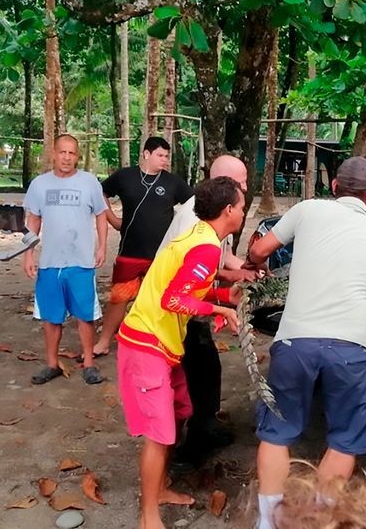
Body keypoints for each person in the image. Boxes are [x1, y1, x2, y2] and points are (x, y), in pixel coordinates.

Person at [247, 156, 366, 529]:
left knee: (277, 432)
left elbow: (260, 251)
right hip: (352, 347)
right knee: (345, 438)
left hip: (296, 341)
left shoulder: (307, 209)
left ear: (333, 187)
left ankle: (267, 523)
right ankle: (318, 519)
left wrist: (254, 260)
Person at [116, 176, 244, 529]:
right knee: (159, 434)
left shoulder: (202, 236)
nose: (244, 210)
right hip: (146, 342)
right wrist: (219, 311)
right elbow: (173, 299)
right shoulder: (205, 246)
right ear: (228, 210)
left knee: (177, 415)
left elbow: (186, 287)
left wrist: (221, 296)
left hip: (164, 345)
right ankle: (149, 517)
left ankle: (160, 489)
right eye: (242, 205)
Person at [159, 155, 264, 470]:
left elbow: (223, 257)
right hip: (177, 309)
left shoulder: (215, 213)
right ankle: (188, 449)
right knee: (196, 370)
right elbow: (195, 272)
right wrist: (222, 298)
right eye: (240, 183)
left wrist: (241, 272)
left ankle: (203, 426)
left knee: (206, 367)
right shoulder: (196, 222)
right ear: (225, 193)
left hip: (189, 302)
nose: (246, 187)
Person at [93, 136, 193, 357]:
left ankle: (158, 343)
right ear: (146, 154)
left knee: (161, 300)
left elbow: (194, 204)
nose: (165, 160)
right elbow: (100, 192)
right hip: (130, 252)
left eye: (167, 156)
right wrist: (111, 218)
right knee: (119, 298)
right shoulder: (125, 176)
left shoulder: (173, 182)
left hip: (161, 255)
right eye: (160, 155)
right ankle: (104, 341)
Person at [22, 134, 108, 385]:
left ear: (77, 156)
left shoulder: (89, 182)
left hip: (81, 262)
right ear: (54, 153)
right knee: (51, 316)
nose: (67, 158)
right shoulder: (39, 184)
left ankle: (89, 364)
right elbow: (33, 221)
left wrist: (102, 246)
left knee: (85, 315)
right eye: (62, 152)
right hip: (50, 263)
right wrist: (28, 254)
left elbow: (101, 215)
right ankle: (52, 364)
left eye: (72, 153)